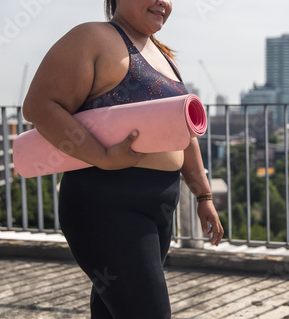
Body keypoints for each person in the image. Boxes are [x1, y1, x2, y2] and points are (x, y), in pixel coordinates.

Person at [22, 0, 224, 318]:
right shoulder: (92, 37)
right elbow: (38, 106)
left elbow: (186, 136)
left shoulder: (164, 55)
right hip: (106, 205)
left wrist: (203, 195)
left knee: (112, 309)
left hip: (159, 205)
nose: (164, 3)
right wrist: (102, 155)